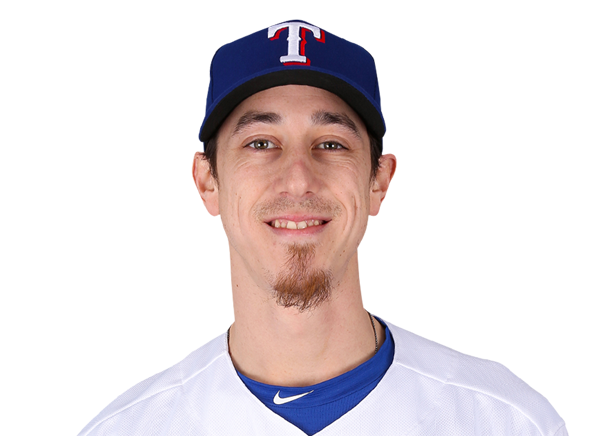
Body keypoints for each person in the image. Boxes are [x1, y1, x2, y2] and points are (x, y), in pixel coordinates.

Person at [80, 22, 567, 436]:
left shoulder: (509, 423)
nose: (298, 178)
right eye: (260, 142)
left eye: (331, 143)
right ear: (209, 181)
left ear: (378, 180)